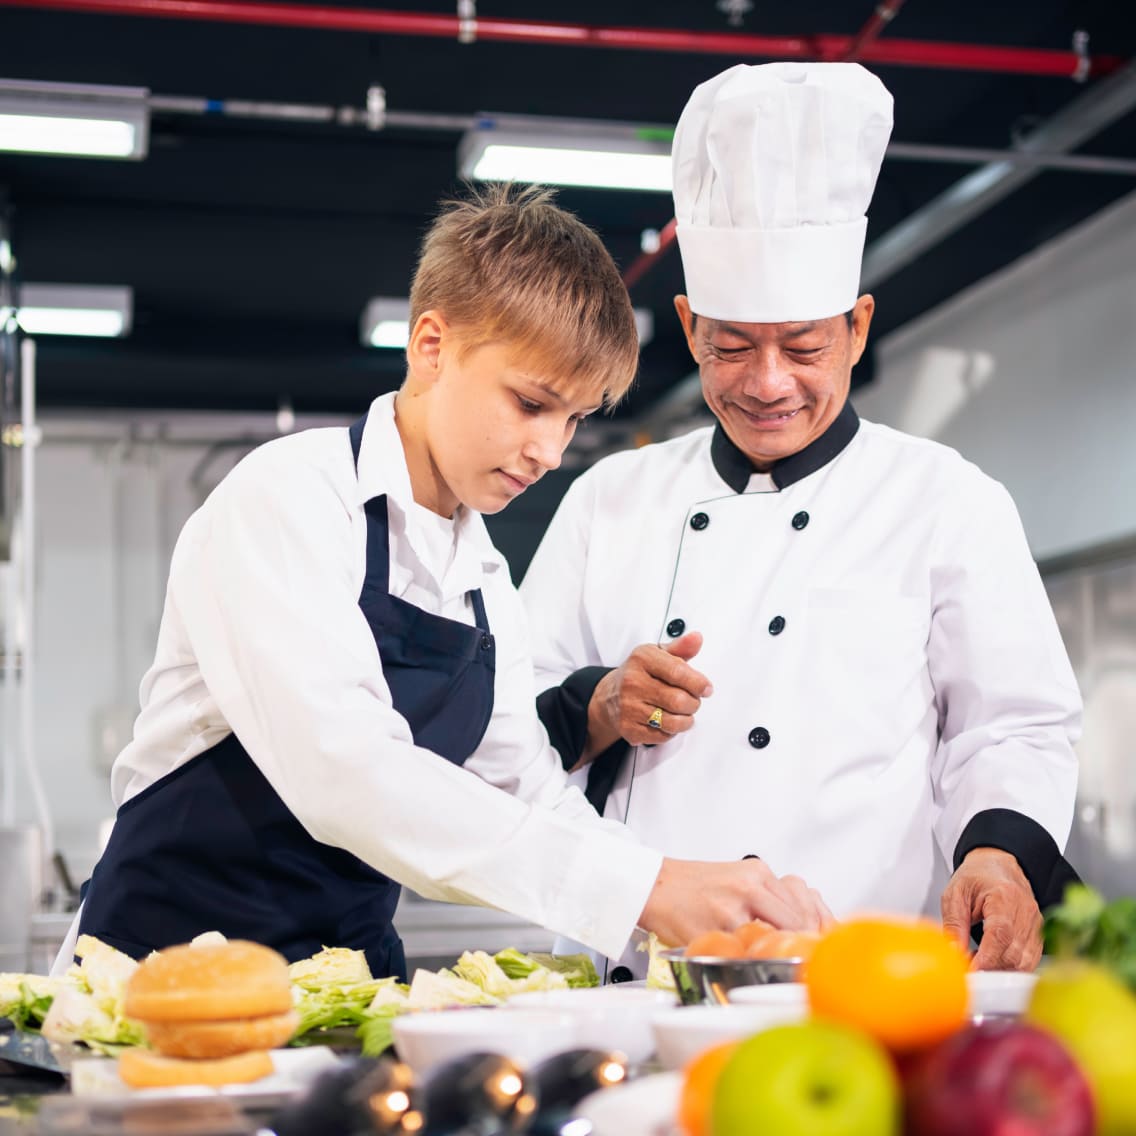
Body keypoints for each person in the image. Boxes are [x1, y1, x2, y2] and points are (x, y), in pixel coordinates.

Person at [55, 184, 831, 981]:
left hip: (341, 990)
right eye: (531, 403)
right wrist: (647, 887)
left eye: (573, 420)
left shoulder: (483, 581)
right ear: (431, 346)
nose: (549, 451)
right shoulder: (287, 499)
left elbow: (530, 788)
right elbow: (346, 774)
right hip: (152, 981)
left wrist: (694, 913)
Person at [522, 63, 1082, 976]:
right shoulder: (607, 500)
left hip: (868, 981)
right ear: (689, 324)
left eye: (806, 346)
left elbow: (1013, 725)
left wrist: (999, 853)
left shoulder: (946, 498)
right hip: (639, 977)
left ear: (858, 328)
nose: (769, 382)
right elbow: (507, 720)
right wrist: (601, 702)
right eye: (733, 345)